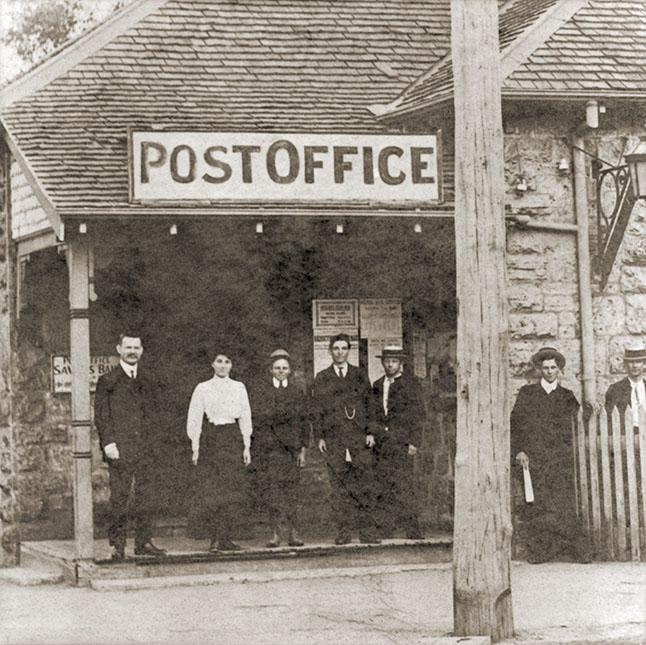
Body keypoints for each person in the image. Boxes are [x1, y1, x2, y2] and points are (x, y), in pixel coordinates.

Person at [510, 346, 591, 564]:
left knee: (562, 503)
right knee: (538, 505)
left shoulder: (567, 396)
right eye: (545, 368)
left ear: (559, 370)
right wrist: (519, 450)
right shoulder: (527, 394)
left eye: (553, 367)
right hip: (534, 459)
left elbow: (577, 426)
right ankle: (540, 552)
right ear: (538, 369)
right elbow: (516, 424)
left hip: (560, 460)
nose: (549, 371)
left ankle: (570, 550)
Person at [94, 333, 166, 561]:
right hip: (120, 448)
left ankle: (143, 542)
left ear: (142, 350)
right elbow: (102, 416)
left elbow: (156, 414)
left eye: (136, 347)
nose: (132, 351)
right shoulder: (108, 380)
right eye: (128, 347)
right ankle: (117, 545)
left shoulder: (149, 379)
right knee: (120, 497)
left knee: (147, 496)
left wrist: (156, 442)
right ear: (119, 349)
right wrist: (108, 443)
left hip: (146, 448)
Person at [312, 333, 380, 545]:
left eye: (344, 348)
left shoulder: (359, 375)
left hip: (359, 439)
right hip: (334, 439)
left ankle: (367, 532)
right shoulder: (322, 377)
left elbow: (371, 406)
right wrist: (320, 436)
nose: (340, 352)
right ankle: (343, 532)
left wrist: (370, 432)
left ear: (349, 351)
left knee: (363, 486)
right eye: (336, 348)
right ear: (331, 351)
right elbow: (318, 410)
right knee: (339, 488)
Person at [186, 349, 252, 552]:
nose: (223, 365)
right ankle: (214, 538)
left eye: (227, 361)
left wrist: (246, 445)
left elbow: (245, 416)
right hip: (212, 439)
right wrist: (195, 447)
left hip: (232, 439)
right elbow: (194, 419)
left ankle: (226, 538)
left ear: (232, 365)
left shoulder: (239, 387)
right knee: (213, 492)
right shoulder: (203, 388)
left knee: (231, 491)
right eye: (219, 361)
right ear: (212, 364)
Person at [251, 349, 308, 548]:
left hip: (291, 449)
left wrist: (303, 448)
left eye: (284, 368)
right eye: (277, 368)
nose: (281, 371)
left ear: (290, 370)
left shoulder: (297, 391)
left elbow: (303, 421)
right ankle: (275, 532)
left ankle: (293, 532)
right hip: (272, 449)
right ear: (270, 370)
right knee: (273, 491)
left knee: (292, 491)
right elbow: (260, 420)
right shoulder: (262, 392)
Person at [368, 346, 425, 540]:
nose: (390, 364)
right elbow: (372, 414)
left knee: (404, 484)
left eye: (394, 361)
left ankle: (412, 528)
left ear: (400, 363)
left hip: (402, 442)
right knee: (384, 484)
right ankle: (387, 527)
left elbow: (419, 416)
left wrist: (414, 442)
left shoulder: (411, 385)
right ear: (382, 362)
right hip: (382, 444)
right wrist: (373, 433)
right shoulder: (377, 385)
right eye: (387, 361)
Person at [605, 344, 646, 429]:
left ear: (644, 364)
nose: (635, 366)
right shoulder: (615, 389)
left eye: (638, 361)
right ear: (626, 364)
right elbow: (609, 419)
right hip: (625, 436)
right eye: (631, 362)